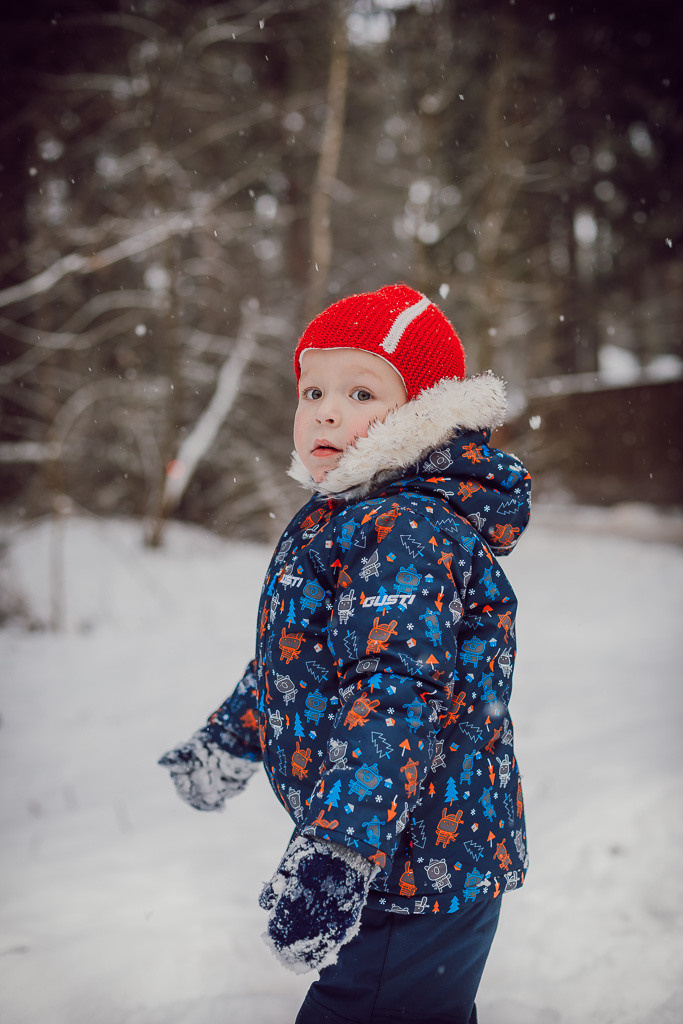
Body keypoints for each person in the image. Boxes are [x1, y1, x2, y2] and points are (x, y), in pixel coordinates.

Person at [159, 283, 531, 1023]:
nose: (326, 410)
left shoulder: (403, 531)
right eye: (312, 390)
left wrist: (336, 856)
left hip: (414, 870)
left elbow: (393, 695)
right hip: (395, 854)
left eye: (361, 391)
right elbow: (295, 662)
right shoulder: (343, 516)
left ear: (427, 412)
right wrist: (232, 736)